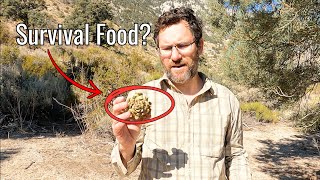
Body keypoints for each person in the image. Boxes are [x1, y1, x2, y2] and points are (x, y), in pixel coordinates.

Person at [111, 7, 251, 179]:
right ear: (159, 52)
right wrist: (126, 146)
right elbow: (123, 169)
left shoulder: (226, 100)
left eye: (183, 45)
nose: (175, 56)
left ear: (200, 46)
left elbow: (235, 156)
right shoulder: (144, 97)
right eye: (167, 48)